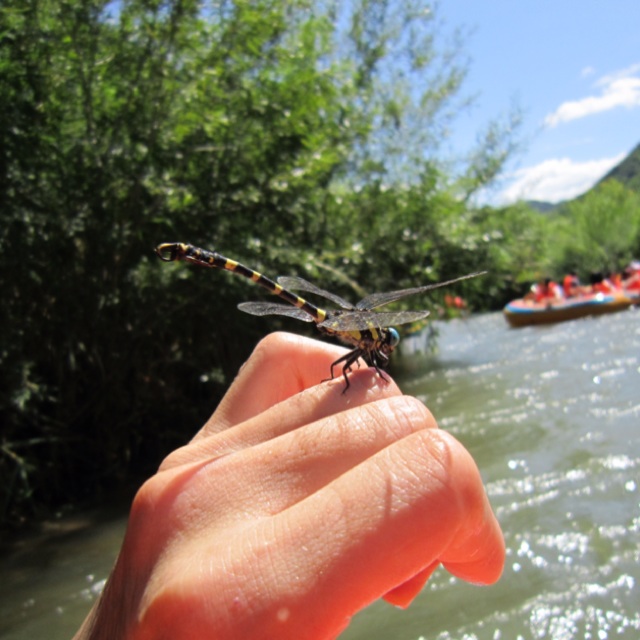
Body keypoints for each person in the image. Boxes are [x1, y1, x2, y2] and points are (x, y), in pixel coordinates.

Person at [73, 333, 504, 640]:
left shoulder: (367, 344)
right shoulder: (361, 344)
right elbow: (347, 369)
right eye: (384, 341)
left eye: (385, 341)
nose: (385, 347)